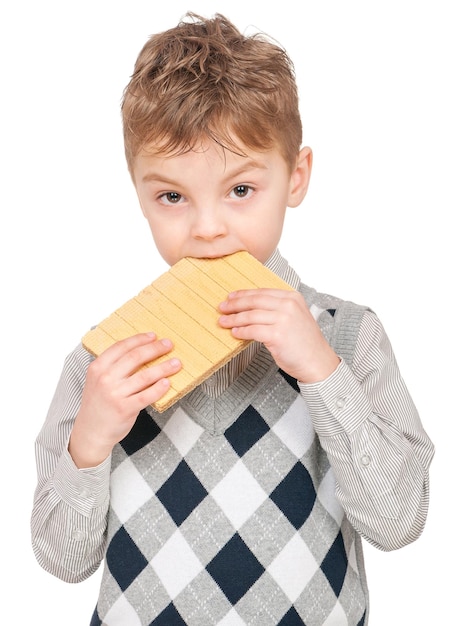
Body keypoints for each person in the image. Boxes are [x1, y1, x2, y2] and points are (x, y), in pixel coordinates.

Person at [31, 13, 434, 626]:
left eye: (241, 190)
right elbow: (63, 562)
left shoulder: (349, 334)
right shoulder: (101, 362)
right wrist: (89, 440)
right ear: (139, 194)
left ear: (295, 177)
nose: (208, 227)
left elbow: (400, 521)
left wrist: (323, 372)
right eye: (172, 197)